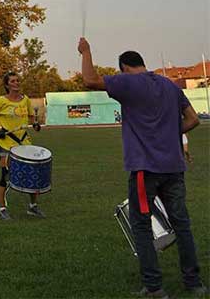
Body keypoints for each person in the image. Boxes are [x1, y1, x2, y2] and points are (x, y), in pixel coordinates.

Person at [78, 37, 206, 298]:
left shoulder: (128, 82)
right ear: (142, 64)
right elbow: (193, 120)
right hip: (173, 168)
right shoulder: (170, 86)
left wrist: (86, 51)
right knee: (182, 224)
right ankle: (194, 283)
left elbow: (90, 80)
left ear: (124, 67)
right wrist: (170, 133)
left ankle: (154, 287)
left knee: (142, 227)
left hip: (144, 170)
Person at [0, 72, 44, 220]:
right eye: (13, 81)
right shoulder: (1, 101)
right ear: (7, 85)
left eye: (18, 80)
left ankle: (33, 207)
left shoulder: (25, 99)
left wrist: (35, 124)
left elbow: (30, 117)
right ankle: (2, 208)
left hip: (24, 142)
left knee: (31, 174)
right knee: (6, 175)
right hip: (6, 143)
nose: (16, 83)